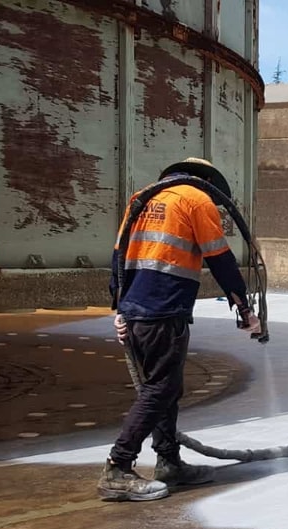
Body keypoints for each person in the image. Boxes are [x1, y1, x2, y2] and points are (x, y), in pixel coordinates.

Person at [99, 157, 260, 501]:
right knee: (159, 390)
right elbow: (220, 258)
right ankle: (118, 466)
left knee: (167, 388)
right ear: (206, 181)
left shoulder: (142, 199)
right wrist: (246, 310)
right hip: (163, 308)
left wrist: (120, 308)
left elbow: (118, 256)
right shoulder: (196, 199)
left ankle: (169, 462)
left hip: (138, 309)